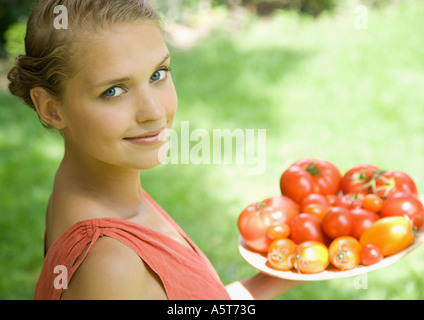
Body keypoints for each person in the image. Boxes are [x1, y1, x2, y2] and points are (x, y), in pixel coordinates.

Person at [8, 0, 301, 300]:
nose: (154, 111)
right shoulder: (109, 264)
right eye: (113, 91)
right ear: (50, 109)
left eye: (158, 74)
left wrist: (270, 281)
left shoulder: (94, 192)